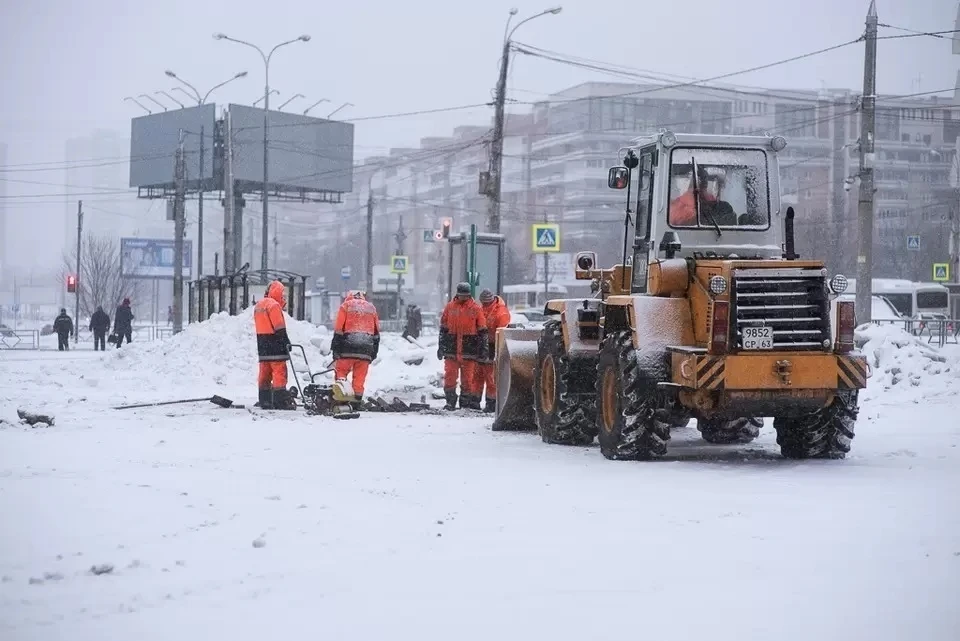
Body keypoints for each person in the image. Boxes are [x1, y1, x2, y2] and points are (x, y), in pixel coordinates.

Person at [438, 282, 487, 411]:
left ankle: (465, 403)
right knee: (450, 378)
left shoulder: (476, 309)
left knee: (467, 380)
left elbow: (482, 331)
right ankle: (450, 402)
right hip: (452, 350)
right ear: (457, 294)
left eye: (465, 296)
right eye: (461, 295)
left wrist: (483, 349)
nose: (463, 298)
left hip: (469, 350)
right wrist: (441, 346)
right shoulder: (450, 307)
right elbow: (443, 328)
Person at [331, 290, 381, 410]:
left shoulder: (346, 306)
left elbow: (339, 329)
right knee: (359, 377)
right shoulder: (371, 308)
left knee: (341, 372)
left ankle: (342, 399)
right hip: (366, 349)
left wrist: (335, 348)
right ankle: (356, 402)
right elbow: (376, 333)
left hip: (347, 347)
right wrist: (374, 351)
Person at [253, 280, 294, 410]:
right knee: (279, 372)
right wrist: (286, 342)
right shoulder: (274, 305)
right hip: (276, 345)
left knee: (264, 373)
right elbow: (279, 327)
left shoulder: (259, 305)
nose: (283, 298)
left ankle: (264, 399)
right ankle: (280, 400)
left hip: (263, 346)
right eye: (282, 295)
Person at [475, 288, 511, 413]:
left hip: (493, 346)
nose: (484, 304)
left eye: (485, 303)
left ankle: (491, 404)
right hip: (482, 346)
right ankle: (475, 402)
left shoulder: (501, 312)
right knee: (478, 376)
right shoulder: (482, 309)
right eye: (482, 303)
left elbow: (501, 332)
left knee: (491, 378)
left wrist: (497, 349)